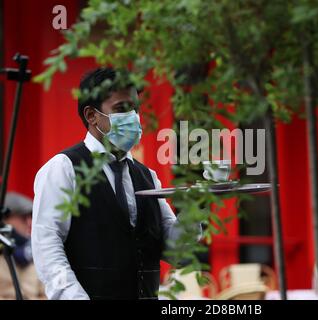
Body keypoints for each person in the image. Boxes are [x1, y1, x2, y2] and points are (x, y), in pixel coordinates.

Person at [32, 67, 201, 300]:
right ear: (91, 115)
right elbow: (47, 246)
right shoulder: (64, 168)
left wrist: (197, 206)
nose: (133, 118)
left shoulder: (147, 175)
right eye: (122, 109)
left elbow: (178, 252)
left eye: (136, 110)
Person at [0, 192, 45, 299]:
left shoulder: (37, 253)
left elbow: (47, 294)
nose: (30, 223)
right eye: (23, 218)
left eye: (31, 217)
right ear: (4, 219)